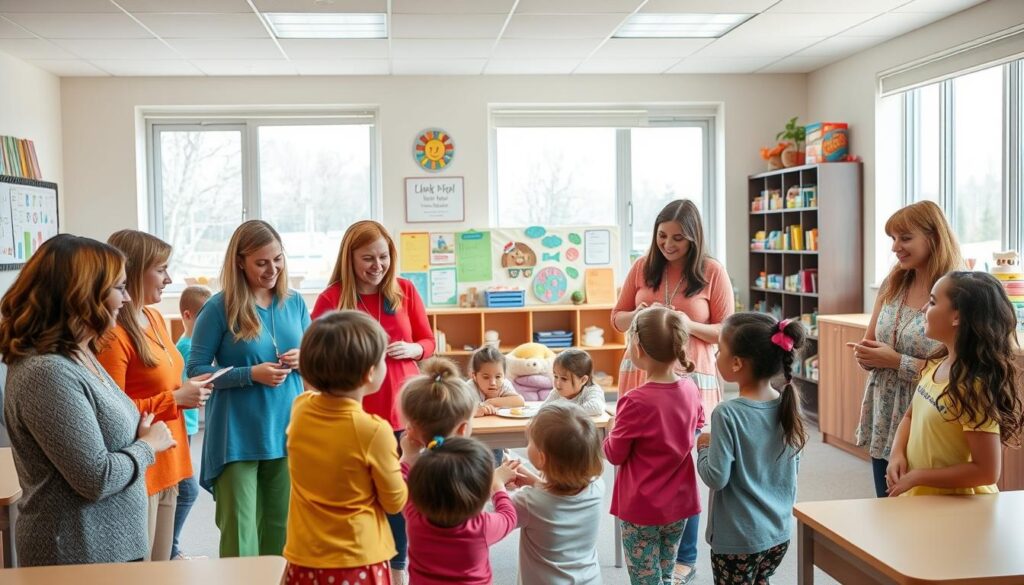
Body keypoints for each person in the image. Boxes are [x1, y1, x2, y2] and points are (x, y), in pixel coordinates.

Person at [0, 234, 175, 566]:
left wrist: (135, 432)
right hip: (78, 554)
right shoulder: (46, 373)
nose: (125, 299)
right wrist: (148, 446)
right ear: (83, 295)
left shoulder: (80, 352)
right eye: (119, 288)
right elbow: (96, 478)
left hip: (110, 549)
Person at [611, 199, 733, 583]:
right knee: (642, 461)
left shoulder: (712, 272)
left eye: (678, 238)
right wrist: (642, 315)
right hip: (641, 376)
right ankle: (647, 542)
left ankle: (685, 556)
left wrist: (683, 323)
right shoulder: (641, 268)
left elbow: (727, 330)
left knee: (682, 465)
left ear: (694, 238)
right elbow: (617, 319)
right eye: (662, 236)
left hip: (691, 383)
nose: (668, 244)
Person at [313, 220, 434, 583]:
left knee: (399, 497)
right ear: (349, 259)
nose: (377, 266)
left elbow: (428, 343)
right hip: (355, 415)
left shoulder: (406, 291)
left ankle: (397, 573)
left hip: (404, 413)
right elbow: (318, 356)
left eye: (383, 257)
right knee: (360, 497)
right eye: (368, 258)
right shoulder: (331, 298)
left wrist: (413, 349)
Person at [187, 220, 310, 557]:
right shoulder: (218, 307)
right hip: (236, 437)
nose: (272, 269)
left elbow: (319, 362)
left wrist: (306, 359)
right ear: (240, 261)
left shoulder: (295, 303)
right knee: (241, 539)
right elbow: (195, 371)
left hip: (286, 434)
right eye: (261, 262)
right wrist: (249, 374)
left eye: (278, 259)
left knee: (282, 535)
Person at [97, 230, 212, 561]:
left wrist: (190, 387)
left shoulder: (155, 317)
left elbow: (165, 381)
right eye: (161, 269)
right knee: (143, 570)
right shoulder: (113, 336)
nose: (169, 278)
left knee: (160, 566)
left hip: (170, 457)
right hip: (141, 467)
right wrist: (175, 400)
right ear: (133, 271)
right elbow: (111, 413)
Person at [283, 311, 407, 585]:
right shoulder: (374, 430)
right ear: (370, 373)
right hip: (357, 559)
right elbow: (394, 501)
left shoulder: (301, 407)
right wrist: (408, 458)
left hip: (304, 555)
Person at [850, 201, 963, 497]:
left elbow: (961, 371)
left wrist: (897, 361)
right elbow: (871, 340)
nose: (895, 247)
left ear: (934, 238)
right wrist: (867, 356)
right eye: (892, 239)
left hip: (927, 414)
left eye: (905, 238)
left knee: (921, 511)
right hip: (884, 412)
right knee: (886, 506)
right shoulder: (894, 281)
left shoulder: (957, 292)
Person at [886, 271, 1024, 496]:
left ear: (957, 317)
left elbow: (987, 472)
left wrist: (919, 476)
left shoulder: (974, 388)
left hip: (960, 510)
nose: (923, 309)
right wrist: (896, 453)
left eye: (932, 302)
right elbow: (910, 416)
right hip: (924, 501)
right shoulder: (935, 365)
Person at [696, 313, 807, 585]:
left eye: (719, 350)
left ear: (736, 363)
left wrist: (702, 449)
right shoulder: (786, 404)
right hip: (778, 536)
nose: (715, 355)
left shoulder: (727, 414)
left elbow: (715, 477)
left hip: (738, 539)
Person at [603, 307, 704, 585]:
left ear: (637, 347)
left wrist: (611, 430)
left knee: (646, 580)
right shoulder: (691, 388)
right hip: (679, 504)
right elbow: (698, 423)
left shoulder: (634, 401)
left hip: (641, 508)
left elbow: (614, 453)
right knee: (666, 573)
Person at [400, 436, 518, 585]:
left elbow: (400, 482)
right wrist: (498, 486)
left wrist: (408, 454)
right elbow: (509, 516)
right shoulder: (481, 526)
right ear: (482, 496)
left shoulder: (415, 515)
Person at [509, 402, 605, 585]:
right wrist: (536, 481)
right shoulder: (597, 486)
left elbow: (492, 515)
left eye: (529, 442)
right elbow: (559, 498)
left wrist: (496, 485)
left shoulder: (528, 501)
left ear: (542, 457)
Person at [170, 284, 212, 560]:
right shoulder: (186, 347)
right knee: (185, 489)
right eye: (205, 319)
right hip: (180, 424)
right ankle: (170, 550)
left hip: (186, 423)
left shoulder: (190, 346)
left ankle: (171, 548)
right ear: (188, 315)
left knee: (182, 489)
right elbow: (182, 385)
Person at [543, 349, 606, 416]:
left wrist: (561, 412)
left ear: (583, 380)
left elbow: (596, 408)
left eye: (564, 379)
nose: (557, 383)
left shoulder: (592, 390)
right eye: (555, 376)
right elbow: (544, 409)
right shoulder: (557, 392)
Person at [469, 345, 525, 417]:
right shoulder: (469, 388)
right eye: (486, 377)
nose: (493, 383)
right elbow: (459, 410)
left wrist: (490, 402)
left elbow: (520, 401)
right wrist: (475, 411)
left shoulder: (504, 384)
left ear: (504, 376)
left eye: (498, 377)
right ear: (474, 376)